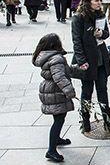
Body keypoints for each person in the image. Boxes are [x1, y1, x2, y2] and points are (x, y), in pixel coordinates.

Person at [71, 0, 110, 133]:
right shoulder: (78, 18)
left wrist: (102, 34)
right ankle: (85, 121)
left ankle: (107, 118)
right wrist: (81, 61)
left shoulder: (101, 15)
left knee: (102, 90)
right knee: (86, 92)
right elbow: (76, 41)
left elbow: (106, 33)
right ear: (88, 2)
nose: (100, 3)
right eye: (96, 1)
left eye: (100, 0)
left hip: (100, 57)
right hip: (87, 59)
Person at [33, 33, 78, 163]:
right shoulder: (56, 58)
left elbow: (63, 71)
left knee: (59, 118)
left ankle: (56, 139)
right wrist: (70, 91)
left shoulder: (48, 56)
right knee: (58, 120)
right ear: (54, 44)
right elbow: (59, 77)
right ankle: (51, 151)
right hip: (56, 91)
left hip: (51, 90)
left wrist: (76, 69)